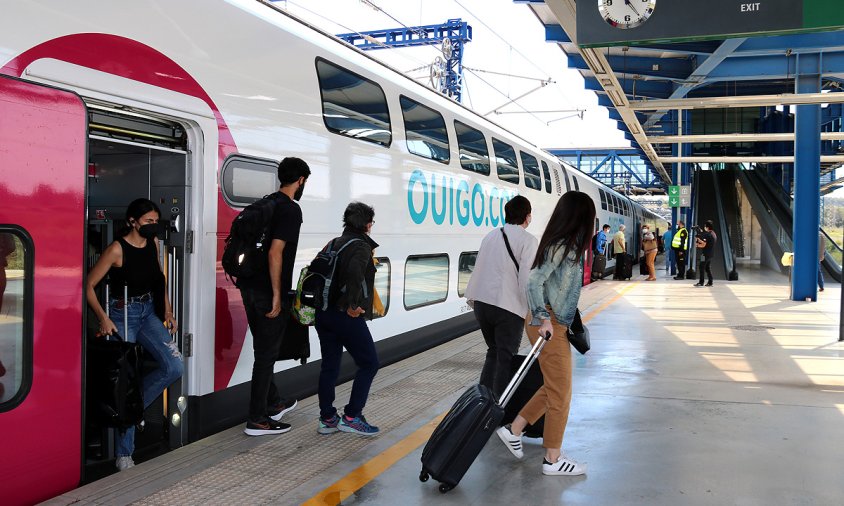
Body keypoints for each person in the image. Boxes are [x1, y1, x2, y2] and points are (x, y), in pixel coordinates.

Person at [495, 191, 595, 477]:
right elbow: (534, 280)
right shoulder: (564, 245)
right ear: (580, 217)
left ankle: (514, 430)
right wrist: (543, 318)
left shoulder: (563, 243)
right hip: (547, 323)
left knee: (553, 386)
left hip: (551, 321)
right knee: (562, 394)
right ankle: (552, 458)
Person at [85, 198, 184, 471]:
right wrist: (103, 318)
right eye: (148, 221)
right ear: (132, 221)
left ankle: (135, 409)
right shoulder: (117, 249)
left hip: (147, 312)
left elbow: (159, 279)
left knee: (174, 366)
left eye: (155, 221)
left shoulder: (152, 244)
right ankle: (124, 454)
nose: (153, 226)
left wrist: (168, 311)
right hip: (122, 314)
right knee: (126, 382)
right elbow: (89, 285)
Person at [238, 157, 310, 436]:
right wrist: (278, 295)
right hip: (267, 292)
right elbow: (275, 252)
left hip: (249, 288)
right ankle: (258, 419)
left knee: (263, 350)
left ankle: (274, 401)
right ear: (301, 180)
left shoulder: (265, 203)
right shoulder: (290, 210)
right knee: (266, 356)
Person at [315, 202, 381, 436]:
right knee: (369, 363)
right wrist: (352, 305)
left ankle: (327, 419)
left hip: (323, 314)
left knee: (329, 366)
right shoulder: (360, 246)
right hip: (345, 316)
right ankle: (352, 416)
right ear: (367, 224)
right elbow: (354, 275)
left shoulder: (333, 243)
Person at [464, 196, 538, 399]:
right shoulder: (528, 240)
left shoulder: (490, 235)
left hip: (481, 303)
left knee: (494, 351)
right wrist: (534, 309)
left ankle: (481, 401)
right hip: (508, 307)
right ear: (527, 216)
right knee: (506, 357)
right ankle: (496, 409)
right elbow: (526, 278)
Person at [694, 220, 717, 287]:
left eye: (705, 226)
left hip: (705, 254)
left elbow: (703, 245)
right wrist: (699, 239)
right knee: (707, 268)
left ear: (707, 227)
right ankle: (710, 282)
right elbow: (707, 243)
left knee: (701, 267)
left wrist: (697, 245)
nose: (704, 227)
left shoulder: (707, 234)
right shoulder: (713, 234)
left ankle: (701, 282)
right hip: (710, 254)